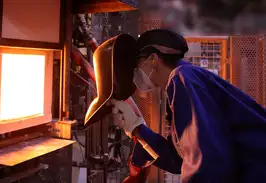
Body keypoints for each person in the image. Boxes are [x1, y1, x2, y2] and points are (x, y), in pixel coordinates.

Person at [110, 29, 266, 183]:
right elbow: (178, 160)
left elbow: (206, 162)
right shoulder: (183, 80)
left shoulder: (183, 78)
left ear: (153, 59)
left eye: (137, 64)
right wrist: (137, 128)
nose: (134, 73)